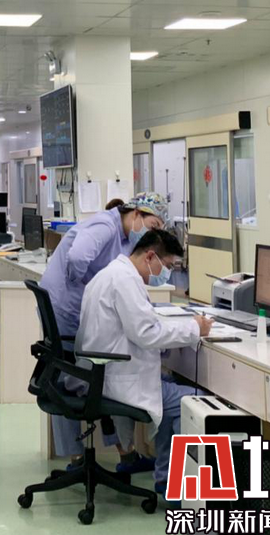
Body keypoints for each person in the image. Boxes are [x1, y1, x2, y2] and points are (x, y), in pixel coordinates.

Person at [38, 192, 168, 470]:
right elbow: (77, 258)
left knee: (105, 373)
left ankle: (125, 453)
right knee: (76, 374)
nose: (152, 233)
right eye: (153, 225)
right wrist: (92, 289)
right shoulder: (106, 226)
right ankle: (78, 458)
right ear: (136, 214)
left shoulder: (124, 238)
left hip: (75, 313)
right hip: (66, 311)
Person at [77, 229, 212, 493]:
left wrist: (183, 326)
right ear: (150, 256)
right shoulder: (125, 280)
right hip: (119, 378)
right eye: (168, 265)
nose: (168, 272)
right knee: (193, 400)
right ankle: (175, 485)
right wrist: (195, 328)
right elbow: (146, 333)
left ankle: (165, 477)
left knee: (172, 387)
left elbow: (141, 325)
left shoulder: (112, 273)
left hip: (104, 372)